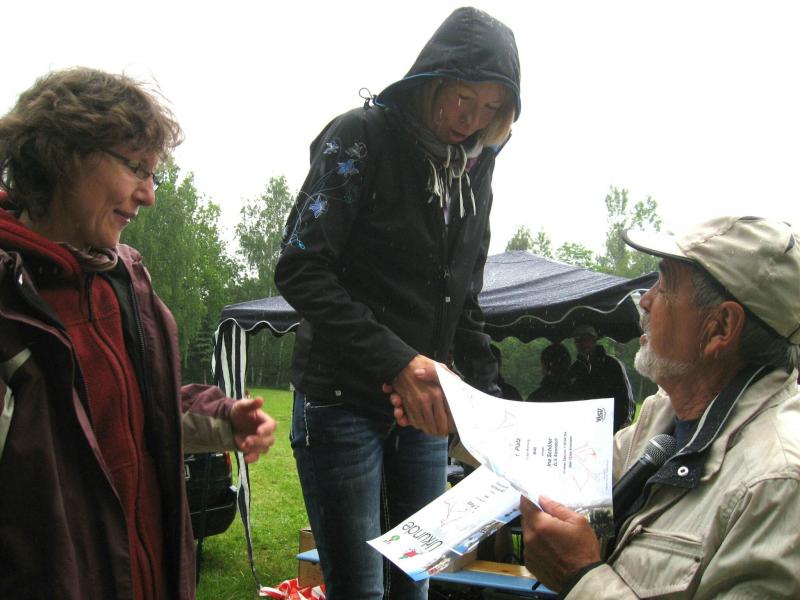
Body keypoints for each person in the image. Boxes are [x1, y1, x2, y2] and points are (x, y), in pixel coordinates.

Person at [0, 67, 277, 600]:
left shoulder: (126, 284)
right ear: (64, 155)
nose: (148, 195)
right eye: (135, 169)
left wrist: (225, 418)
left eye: (154, 175)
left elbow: (142, 407)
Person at [274, 7, 521, 599]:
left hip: (424, 409)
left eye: (491, 109)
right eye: (464, 98)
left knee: (416, 585)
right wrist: (399, 362)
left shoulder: (475, 169)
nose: (472, 119)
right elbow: (300, 267)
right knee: (362, 590)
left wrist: (495, 409)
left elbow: (464, 302)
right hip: (342, 399)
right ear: (433, 78)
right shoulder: (361, 136)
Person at [520, 216, 800, 598]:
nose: (645, 300)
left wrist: (581, 577)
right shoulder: (664, 414)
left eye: (665, 285)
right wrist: (458, 417)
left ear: (720, 327)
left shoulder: (778, 485)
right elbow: (564, 460)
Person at [568, 323, 635, 431]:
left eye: (584, 338)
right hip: (582, 429)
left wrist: (623, 426)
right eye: (577, 339)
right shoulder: (574, 369)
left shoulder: (613, 364)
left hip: (613, 429)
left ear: (594, 339)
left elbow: (626, 399)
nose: (580, 343)